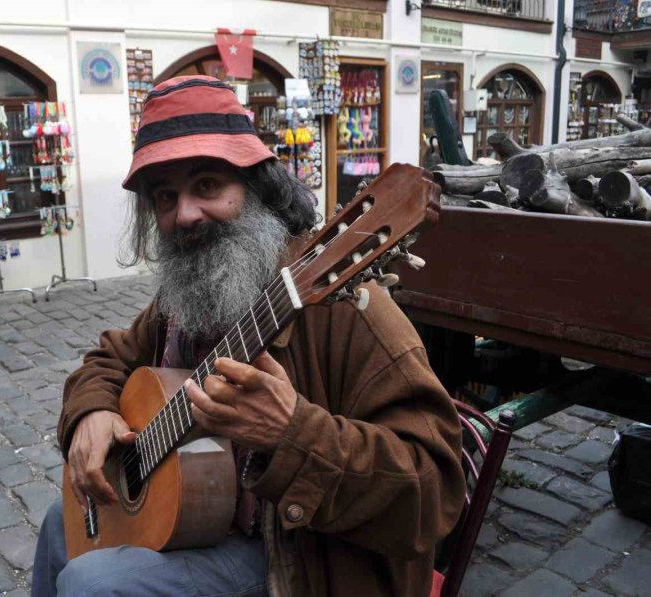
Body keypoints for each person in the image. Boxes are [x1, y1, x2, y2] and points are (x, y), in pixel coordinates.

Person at [32, 75, 465, 596]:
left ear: (258, 188)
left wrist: (293, 433)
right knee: (62, 521)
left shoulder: (351, 311)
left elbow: (435, 496)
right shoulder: (187, 296)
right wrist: (91, 412)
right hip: (207, 527)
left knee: (95, 583)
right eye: (165, 197)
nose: (185, 214)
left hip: (301, 564)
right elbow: (108, 358)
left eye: (208, 186)